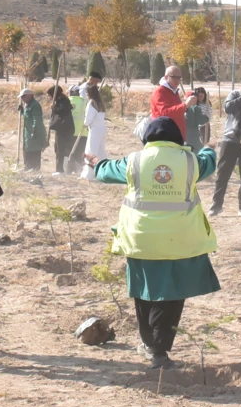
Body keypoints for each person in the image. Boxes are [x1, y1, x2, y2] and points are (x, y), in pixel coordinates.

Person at [85, 117, 219, 370]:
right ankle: (158, 348)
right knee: (173, 294)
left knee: (144, 291)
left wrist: (97, 162)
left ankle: (151, 346)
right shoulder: (190, 161)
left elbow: (106, 171)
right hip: (180, 240)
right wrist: (210, 147)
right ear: (178, 138)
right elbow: (209, 163)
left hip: (142, 240)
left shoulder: (135, 161)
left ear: (147, 139)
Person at [209, 75, 241, 218]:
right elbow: (227, 108)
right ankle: (216, 206)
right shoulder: (235, 94)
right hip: (229, 139)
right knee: (223, 173)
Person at [150, 65, 189, 140]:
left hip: (176, 135)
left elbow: (176, 111)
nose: (177, 80)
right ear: (166, 77)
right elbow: (164, 113)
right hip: (165, 136)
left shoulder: (174, 91)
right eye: (174, 77)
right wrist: (185, 105)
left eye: (179, 78)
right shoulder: (159, 92)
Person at [46, 85, 75, 176]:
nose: (49, 97)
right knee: (59, 148)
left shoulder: (63, 101)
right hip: (63, 128)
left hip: (64, 129)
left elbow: (62, 111)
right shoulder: (61, 100)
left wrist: (54, 108)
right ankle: (65, 169)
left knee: (60, 149)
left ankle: (60, 170)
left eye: (49, 95)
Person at [81, 85, 108, 181]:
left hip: (95, 130)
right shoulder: (100, 103)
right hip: (102, 129)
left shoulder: (91, 103)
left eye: (87, 93)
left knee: (90, 152)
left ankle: (88, 175)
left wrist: (85, 124)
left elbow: (88, 118)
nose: (86, 95)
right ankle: (105, 172)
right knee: (101, 152)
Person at [19, 88, 47, 172]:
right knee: (27, 148)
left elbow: (36, 119)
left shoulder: (35, 105)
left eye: (24, 96)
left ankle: (35, 167)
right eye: (21, 97)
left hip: (35, 130)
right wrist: (22, 111)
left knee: (34, 149)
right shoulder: (27, 105)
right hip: (28, 130)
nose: (22, 98)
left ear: (30, 96)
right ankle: (27, 166)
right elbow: (27, 116)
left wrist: (35, 130)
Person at [66, 86, 88, 174]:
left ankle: (70, 169)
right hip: (83, 131)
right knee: (80, 152)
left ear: (71, 92)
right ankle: (80, 170)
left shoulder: (67, 101)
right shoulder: (84, 102)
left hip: (70, 131)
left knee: (69, 152)